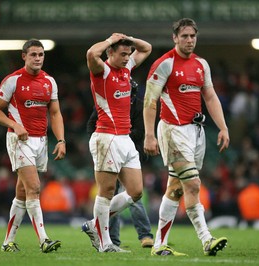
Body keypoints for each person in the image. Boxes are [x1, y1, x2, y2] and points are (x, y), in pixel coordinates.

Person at [143, 18, 230, 256]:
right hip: (173, 130)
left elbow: (210, 97)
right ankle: (206, 239)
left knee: (176, 189)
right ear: (175, 38)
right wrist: (149, 135)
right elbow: (150, 101)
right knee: (192, 183)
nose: (189, 40)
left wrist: (223, 127)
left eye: (192, 36)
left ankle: (159, 245)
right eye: (184, 36)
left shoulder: (202, 64)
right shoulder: (164, 64)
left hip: (196, 131)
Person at [0, 39, 66, 253]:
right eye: (33, 54)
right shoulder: (12, 80)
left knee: (22, 192)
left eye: (41, 55)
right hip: (18, 139)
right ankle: (44, 239)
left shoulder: (49, 81)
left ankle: (8, 242)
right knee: (34, 187)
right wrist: (15, 125)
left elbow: (55, 113)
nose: (38, 58)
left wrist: (60, 140)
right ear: (24, 56)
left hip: (41, 140)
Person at [82, 33, 152, 252]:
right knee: (107, 190)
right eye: (122, 54)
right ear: (110, 53)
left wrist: (129, 39)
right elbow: (92, 53)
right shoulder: (101, 71)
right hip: (106, 137)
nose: (126, 57)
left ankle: (95, 224)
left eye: (128, 54)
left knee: (136, 192)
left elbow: (147, 48)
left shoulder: (126, 69)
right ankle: (105, 243)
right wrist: (111, 40)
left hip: (125, 138)